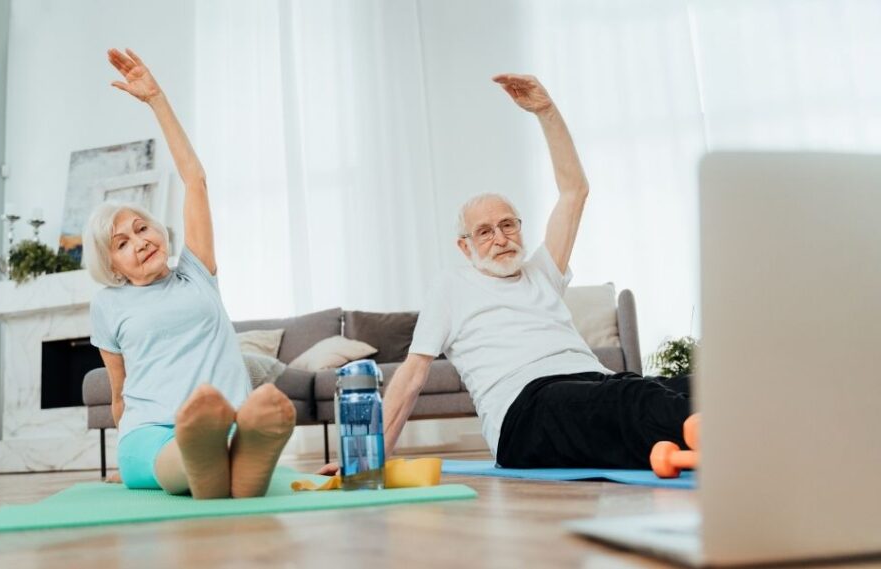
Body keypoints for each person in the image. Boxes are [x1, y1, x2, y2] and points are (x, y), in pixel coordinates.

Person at [321, 74, 692, 474]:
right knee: (633, 403)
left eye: (508, 225)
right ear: (465, 246)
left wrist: (546, 112)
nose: (500, 238)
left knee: (687, 387)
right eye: (485, 231)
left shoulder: (541, 271)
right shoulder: (452, 286)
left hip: (599, 384)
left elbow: (574, 193)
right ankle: (728, 436)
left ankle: (735, 428)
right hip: (527, 411)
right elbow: (412, 376)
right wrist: (365, 462)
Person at [84, 48, 295, 498]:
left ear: (159, 230)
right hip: (151, 433)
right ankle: (215, 461)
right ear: (112, 265)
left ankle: (223, 458)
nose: (140, 241)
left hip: (227, 420)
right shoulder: (109, 304)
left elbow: (194, 179)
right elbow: (119, 394)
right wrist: (130, 462)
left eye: (142, 228)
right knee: (190, 449)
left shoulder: (195, 273)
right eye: (122, 243)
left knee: (229, 435)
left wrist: (157, 100)